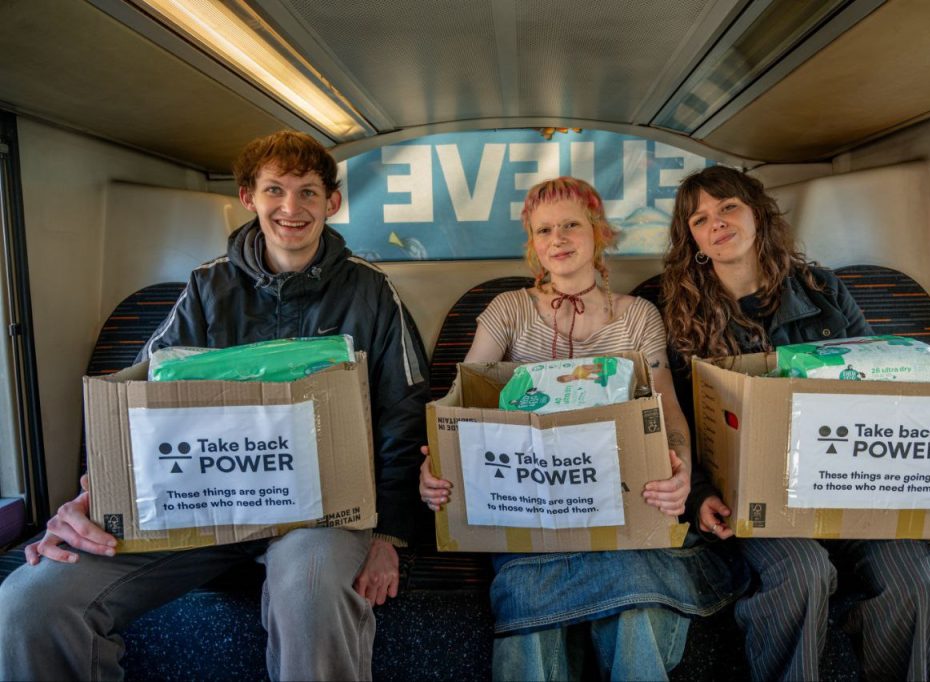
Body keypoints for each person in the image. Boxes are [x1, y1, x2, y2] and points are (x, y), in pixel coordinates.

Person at [0, 130, 430, 681]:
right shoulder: (207, 286)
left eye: (308, 192)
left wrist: (389, 536)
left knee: (311, 597)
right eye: (275, 190)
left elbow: (402, 414)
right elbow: (139, 401)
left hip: (321, 513)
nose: (292, 208)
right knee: (32, 602)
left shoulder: (370, 292)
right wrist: (94, 497)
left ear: (333, 202)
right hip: (202, 502)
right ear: (249, 197)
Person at [661, 164, 930, 681]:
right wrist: (700, 495)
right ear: (694, 240)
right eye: (700, 219)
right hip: (754, 500)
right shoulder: (679, 313)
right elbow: (682, 423)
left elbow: (889, 391)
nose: (717, 223)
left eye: (728, 206)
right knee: (802, 573)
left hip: (851, 484)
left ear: (757, 213)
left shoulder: (822, 289)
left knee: (912, 580)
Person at [419, 176, 748, 681]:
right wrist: (436, 464)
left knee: (635, 608)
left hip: (621, 501)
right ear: (533, 244)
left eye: (571, 225)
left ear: (598, 231)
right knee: (531, 612)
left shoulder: (638, 316)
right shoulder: (508, 309)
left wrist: (680, 470)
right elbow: (462, 402)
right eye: (543, 230)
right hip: (529, 508)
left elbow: (667, 408)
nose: (558, 239)